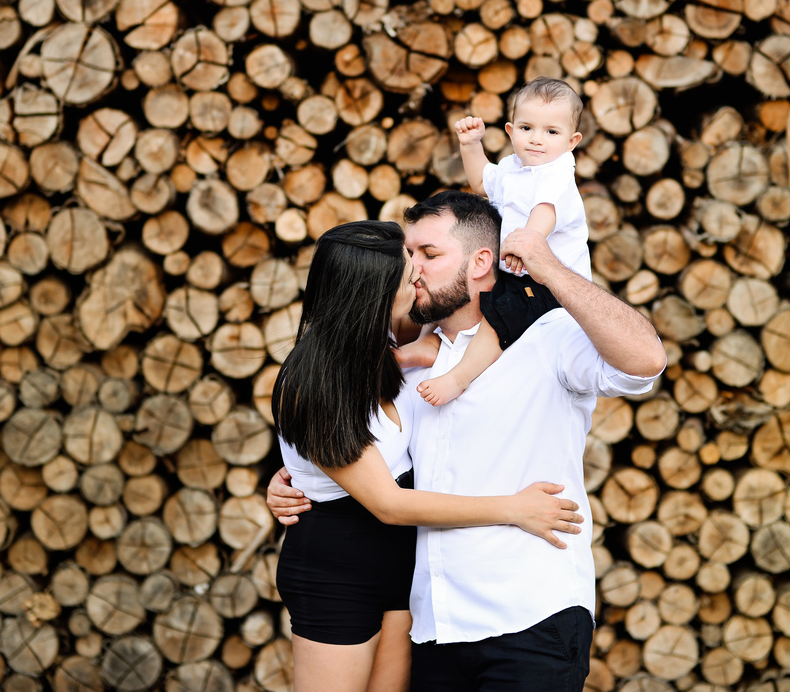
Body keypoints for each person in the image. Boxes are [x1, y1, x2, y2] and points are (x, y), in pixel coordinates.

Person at [270, 193, 667, 692]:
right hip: (434, 621)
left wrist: (550, 270)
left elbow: (646, 361)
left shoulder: (546, 337)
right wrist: (298, 474)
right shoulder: (410, 351)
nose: (413, 269)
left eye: (428, 255)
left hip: (527, 618)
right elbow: (354, 443)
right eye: (408, 255)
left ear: (482, 261)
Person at [405, 77, 590, 406]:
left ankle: (459, 377)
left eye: (551, 132)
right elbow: (479, 181)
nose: (536, 140)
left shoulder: (557, 174)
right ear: (509, 130)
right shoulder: (513, 168)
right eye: (526, 128)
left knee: (499, 317)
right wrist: (471, 145)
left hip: (549, 281)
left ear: (572, 141)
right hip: (513, 266)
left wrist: (527, 244)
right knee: (450, 283)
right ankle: (425, 341)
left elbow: (543, 213)